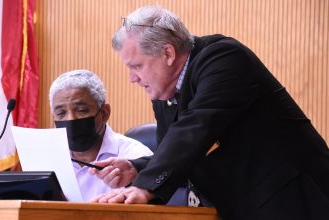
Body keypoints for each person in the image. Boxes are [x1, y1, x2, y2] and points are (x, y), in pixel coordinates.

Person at [90, 5, 329, 220]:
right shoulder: (166, 93)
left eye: (137, 66)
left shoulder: (224, 58)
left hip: (296, 201)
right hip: (245, 205)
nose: (132, 78)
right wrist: (138, 169)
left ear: (168, 54)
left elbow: (197, 128)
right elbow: (183, 154)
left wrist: (146, 186)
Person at [49, 69, 153, 201]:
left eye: (81, 110)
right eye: (61, 113)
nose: (71, 119)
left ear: (104, 113)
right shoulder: (47, 160)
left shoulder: (135, 158)